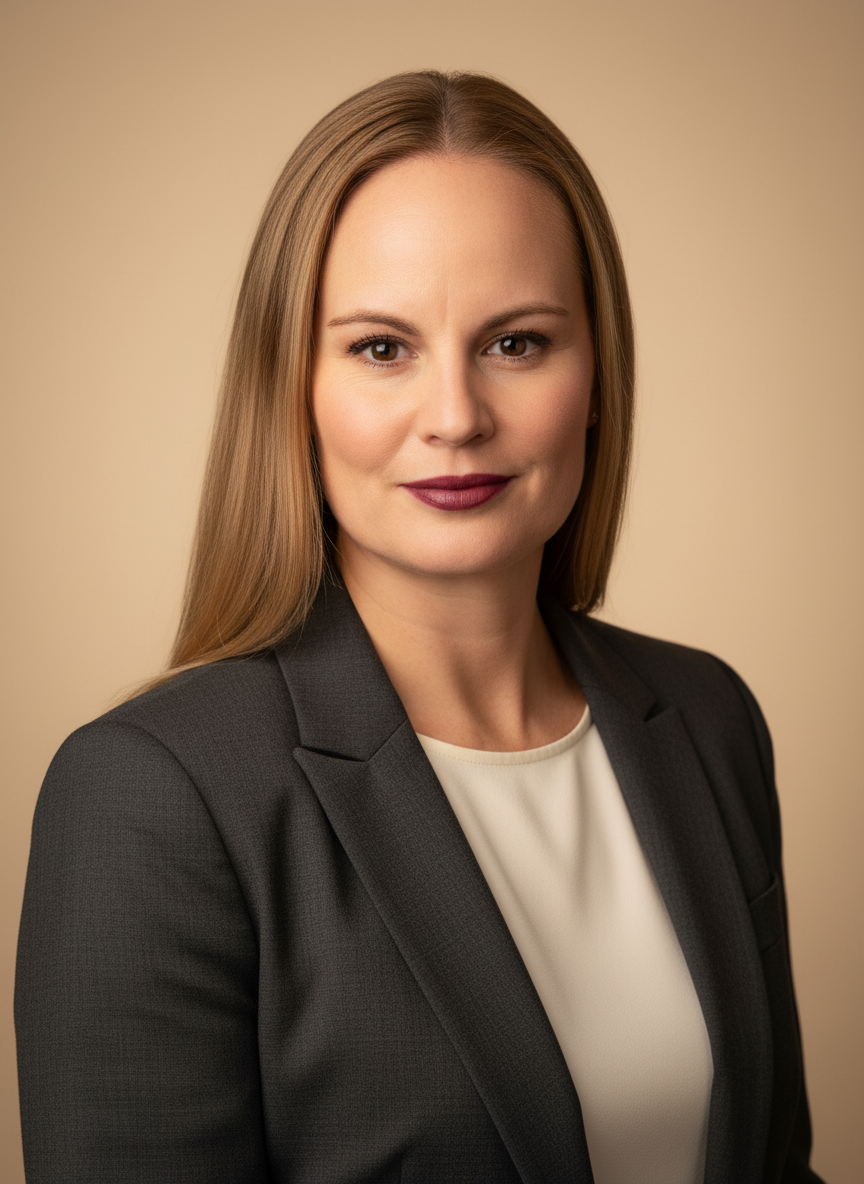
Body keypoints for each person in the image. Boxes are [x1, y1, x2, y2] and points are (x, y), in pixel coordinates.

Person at [15, 71, 822, 1184]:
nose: (456, 416)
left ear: (598, 376)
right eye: (381, 347)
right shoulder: (154, 794)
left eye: (518, 342)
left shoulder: (710, 718)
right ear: (290, 384)